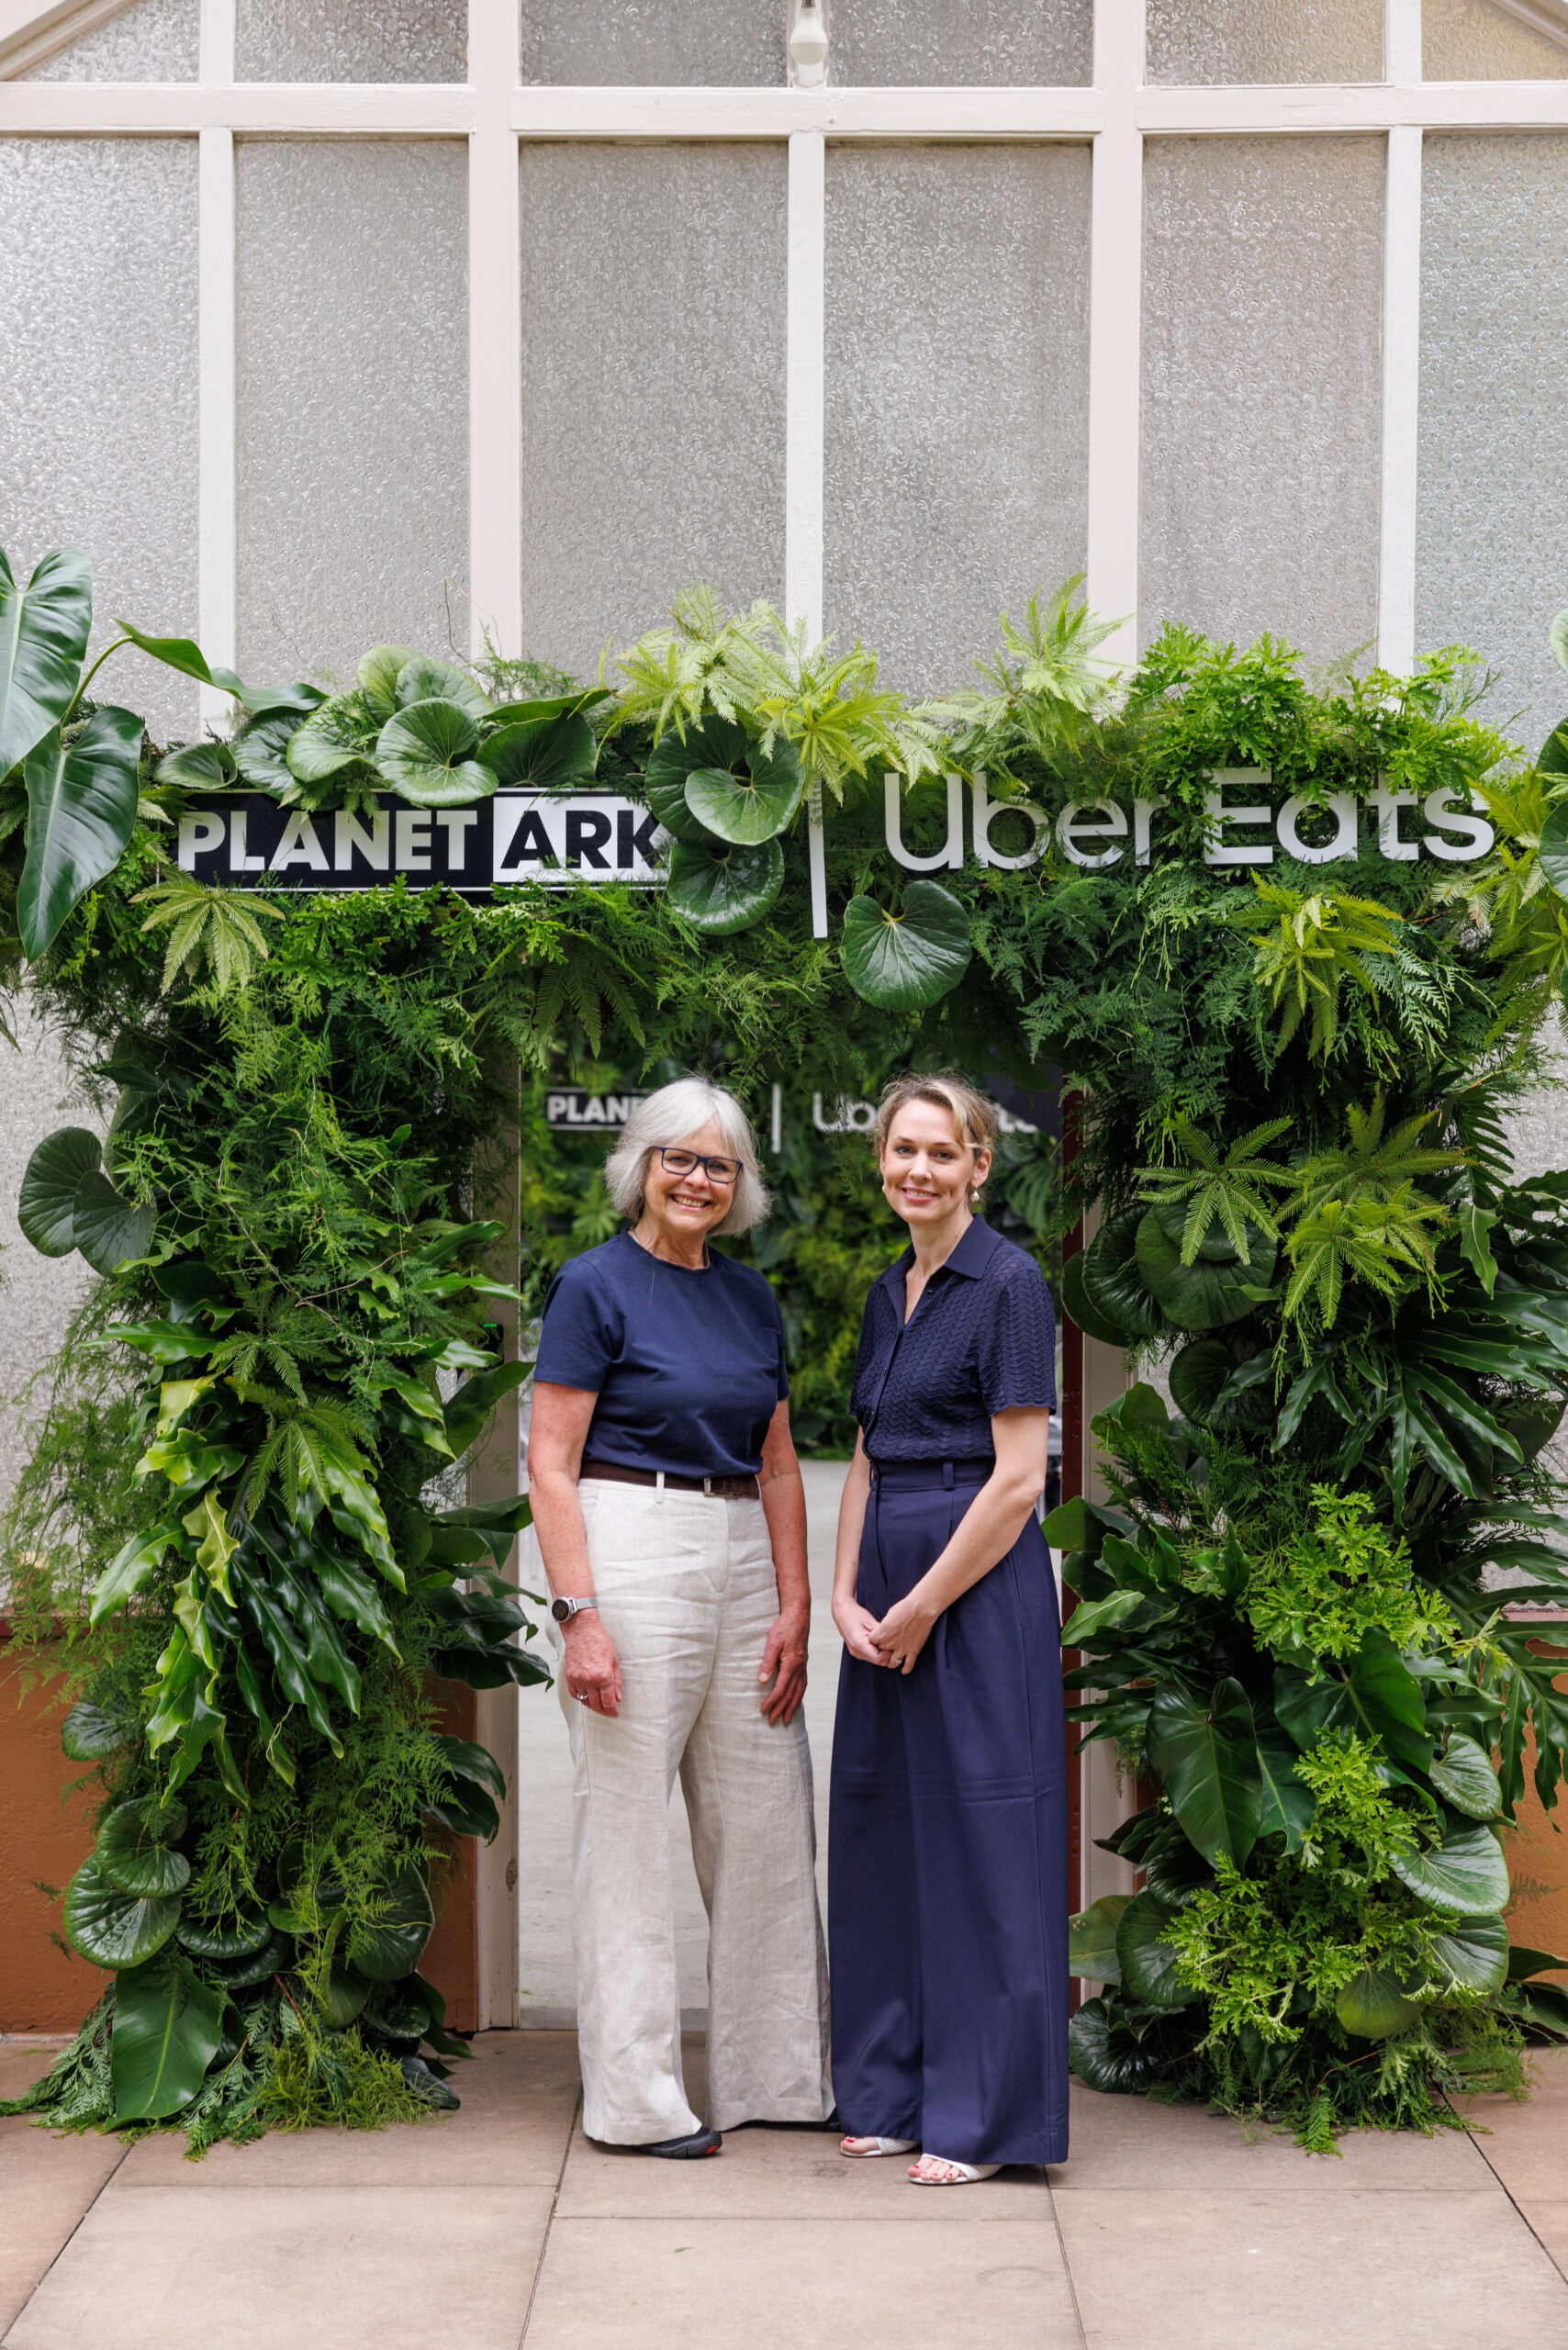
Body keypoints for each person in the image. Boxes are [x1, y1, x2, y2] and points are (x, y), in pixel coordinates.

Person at [527, 1077, 832, 2158]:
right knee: (625, 1834)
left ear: (739, 1183)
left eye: (719, 1164)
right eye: (680, 1158)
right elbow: (550, 1464)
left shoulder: (750, 1297)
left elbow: (780, 1461)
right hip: (630, 1538)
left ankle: (781, 2077)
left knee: (767, 1822)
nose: (699, 1179)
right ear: (640, 1165)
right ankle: (637, 2102)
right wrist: (580, 1615)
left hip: (744, 1546)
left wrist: (795, 1601)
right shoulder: (592, 1285)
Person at [828, 1071, 1067, 2185]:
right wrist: (845, 1594)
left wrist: (924, 1602)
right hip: (883, 1587)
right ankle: (891, 2093)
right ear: (881, 1161)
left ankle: (979, 2121)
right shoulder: (891, 1290)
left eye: (941, 1151)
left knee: (982, 1843)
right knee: (883, 1834)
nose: (917, 1169)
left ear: (979, 1165)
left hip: (970, 1587)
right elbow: (865, 1458)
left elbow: (1018, 1479)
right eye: (902, 1149)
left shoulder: (1009, 1282)